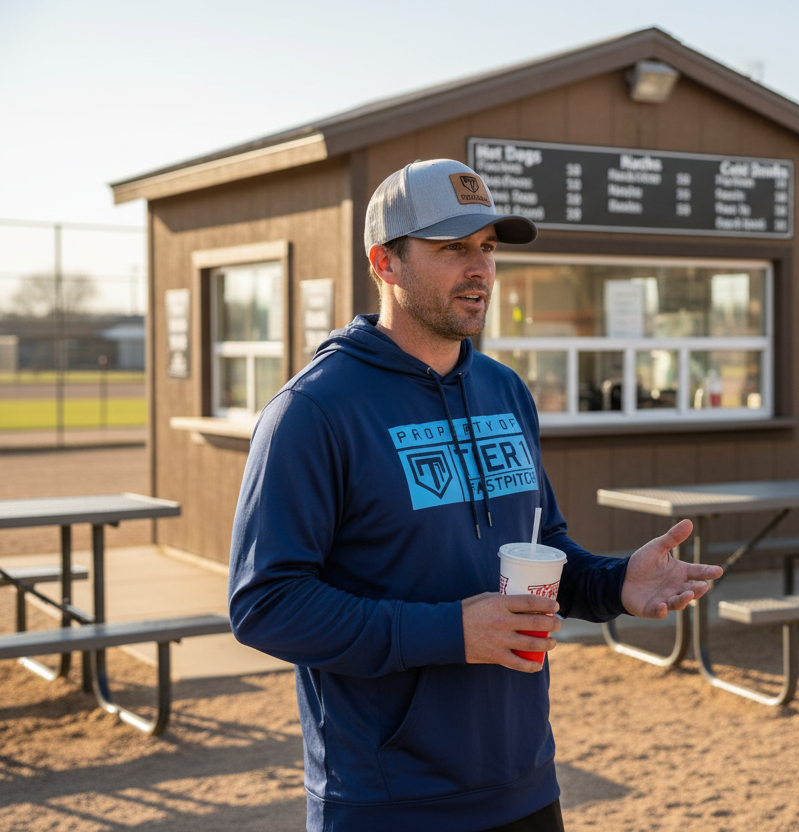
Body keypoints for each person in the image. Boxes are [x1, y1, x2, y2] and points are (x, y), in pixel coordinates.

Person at [227, 158, 722, 832]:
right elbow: (266, 604)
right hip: (388, 800)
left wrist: (614, 584)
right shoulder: (314, 411)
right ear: (386, 263)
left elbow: (539, 552)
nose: (480, 268)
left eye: (487, 248)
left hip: (524, 783)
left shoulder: (504, 390)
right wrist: (451, 632)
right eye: (453, 248)